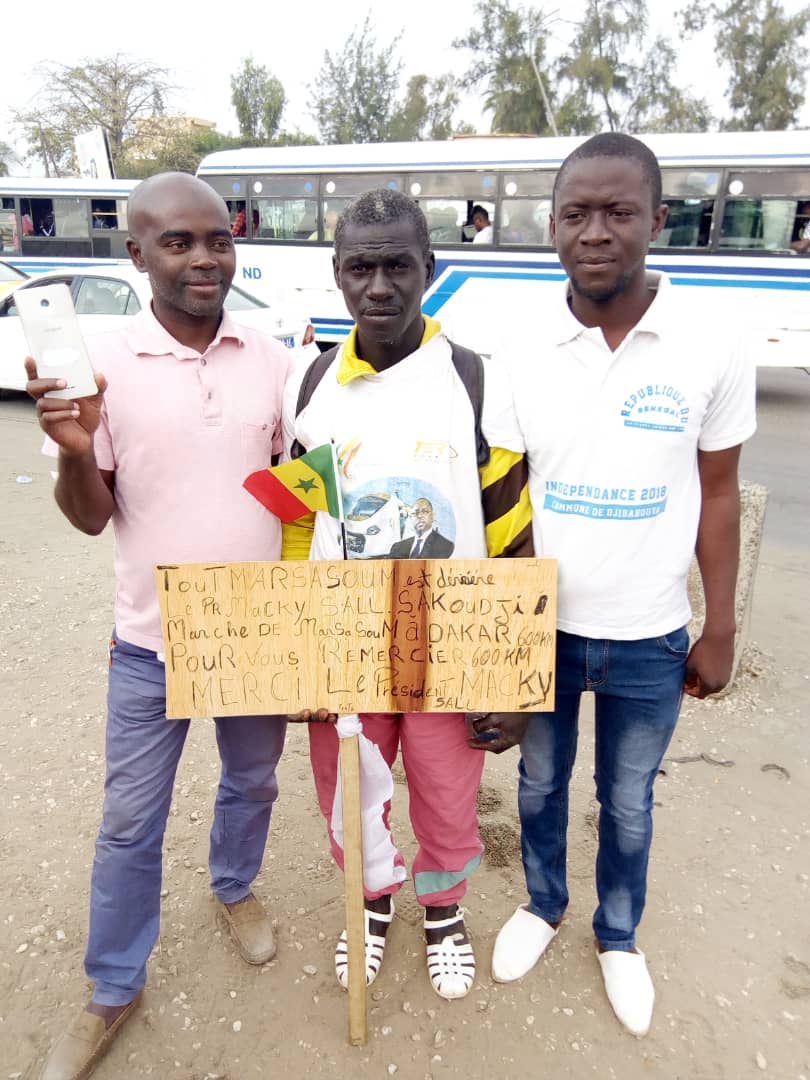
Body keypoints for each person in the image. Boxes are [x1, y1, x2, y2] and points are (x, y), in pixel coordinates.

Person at [487, 133, 756, 1037]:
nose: (595, 232)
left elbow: (719, 495)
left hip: (651, 632)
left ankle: (618, 935)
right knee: (538, 783)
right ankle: (542, 905)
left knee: (629, 799)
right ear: (552, 225)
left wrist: (719, 629)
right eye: (575, 213)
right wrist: (501, 638)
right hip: (544, 628)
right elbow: (504, 497)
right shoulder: (518, 345)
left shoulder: (712, 344)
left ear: (657, 220)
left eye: (618, 212)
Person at [25, 172, 292, 1080]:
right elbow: (91, 515)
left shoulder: (270, 355)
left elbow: (298, 489)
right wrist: (71, 453)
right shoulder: (101, 365)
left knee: (252, 785)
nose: (204, 258)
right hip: (150, 644)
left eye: (217, 239)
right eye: (178, 243)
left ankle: (234, 888)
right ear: (136, 255)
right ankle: (111, 986)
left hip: (256, 636)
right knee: (131, 824)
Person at [282, 188, 531, 1001]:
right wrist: (294, 654)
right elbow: (294, 519)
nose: (379, 287)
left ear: (432, 268)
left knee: (449, 794)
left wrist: (515, 674)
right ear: (337, 274)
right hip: (345, 644)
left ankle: (444, 910)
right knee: (350, 791)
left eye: (399, 266)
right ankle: (373, 902)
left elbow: (509, 528)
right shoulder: (312, 382)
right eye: (361, 267)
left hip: (450, 644)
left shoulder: (473, 380)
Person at [389, 496, 454, 557]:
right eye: (415, 513)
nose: (419, 516)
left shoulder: (446, 547)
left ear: (433, 516)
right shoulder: (397, 547)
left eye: (425, 511)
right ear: (411, 518)